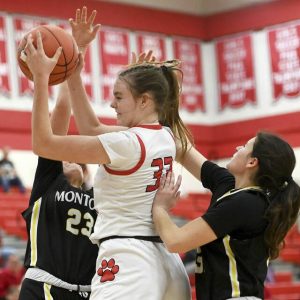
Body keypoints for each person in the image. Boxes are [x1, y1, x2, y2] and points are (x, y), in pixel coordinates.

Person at [23, 6, 192, 299]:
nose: (112, 105)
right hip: (165, 263)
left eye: (118, 96)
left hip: (129, 259)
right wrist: (76, 58)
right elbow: (90, 126)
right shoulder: (164, 135)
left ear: (144, 101)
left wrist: (41, 79)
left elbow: (45, 143)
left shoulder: (127, 143)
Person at [152, 131, 300, 300]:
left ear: (252, 162)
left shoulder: (246, 203)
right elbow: (184, 151)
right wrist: (163, 117)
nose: (238, 147)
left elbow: (175, 241)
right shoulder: (230, 185)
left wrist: (160, 208)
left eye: (245, 146)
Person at [18, 82, 99, 300]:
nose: (72, 160)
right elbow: (62, 112)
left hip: (86, 292)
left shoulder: (99, 196)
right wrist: (69, 69)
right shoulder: (49, 182)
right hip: (43, 285)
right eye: (66, 158)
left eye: (77, 160)